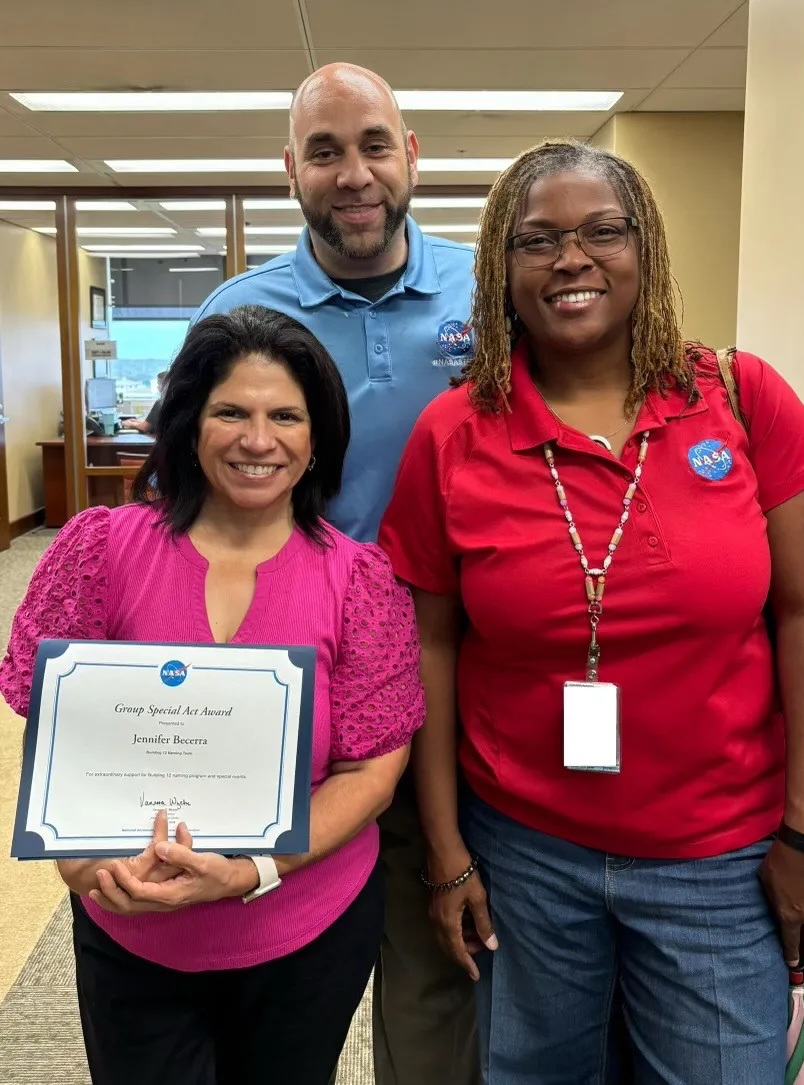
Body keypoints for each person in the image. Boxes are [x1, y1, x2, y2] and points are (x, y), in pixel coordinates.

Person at [378, 139, 804, 1084]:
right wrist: (448, 853)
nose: (571, 259)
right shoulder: (453, 433)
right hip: (524, 851)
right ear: (500, 268)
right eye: (536, 240)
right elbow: (427, 647)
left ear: (645, 250)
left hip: (719, 855)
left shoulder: (742, 401)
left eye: (601, 232)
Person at [0, 305, 424, 1085]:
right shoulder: (100, 549)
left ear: (317, 435)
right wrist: (81, 860)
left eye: (285, 416)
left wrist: (251, 870)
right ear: (189, 422)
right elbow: (54, 720)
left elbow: (372, 775)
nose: (257, 440)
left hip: (304, 927)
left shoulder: (359, 582)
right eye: (231, 411)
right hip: (128, 925)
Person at [192, 63, 481, 1085]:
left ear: (412, 156)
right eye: (324, 151)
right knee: (269, 963)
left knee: (441, 956)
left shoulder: (484, 292)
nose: (352, 173)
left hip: (458, 690)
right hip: (292, 700)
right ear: (290, 172)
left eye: (371, 144)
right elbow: (189, 507)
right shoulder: (242, 312)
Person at [120, 369, 168, 434]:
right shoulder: (173, 400)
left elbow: (145, 428)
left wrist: (128, 424)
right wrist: (137, 422)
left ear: (165, 385)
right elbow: (152, 425)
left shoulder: (161, 402)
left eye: (159, 384)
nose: (157, 387)